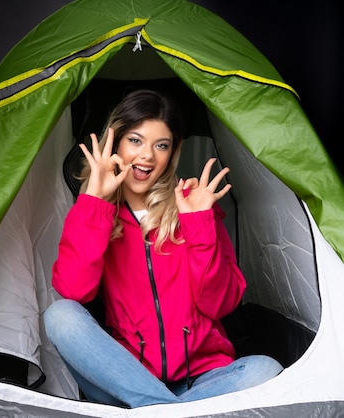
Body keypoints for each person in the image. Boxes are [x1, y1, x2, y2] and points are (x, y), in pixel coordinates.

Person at [43, 89, 283, 408]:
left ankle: (152, 411)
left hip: (204, 380)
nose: (147, 156)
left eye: (161, 145)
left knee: (266, 369)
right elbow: (74, 290)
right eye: (136, 140)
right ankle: (169, 410)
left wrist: (198, 223)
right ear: (115, 144)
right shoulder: (94, 213)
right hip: (126, 379)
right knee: (60, 315)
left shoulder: (193, 206)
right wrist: (95, 204)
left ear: (173, 153)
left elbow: (221, 305)